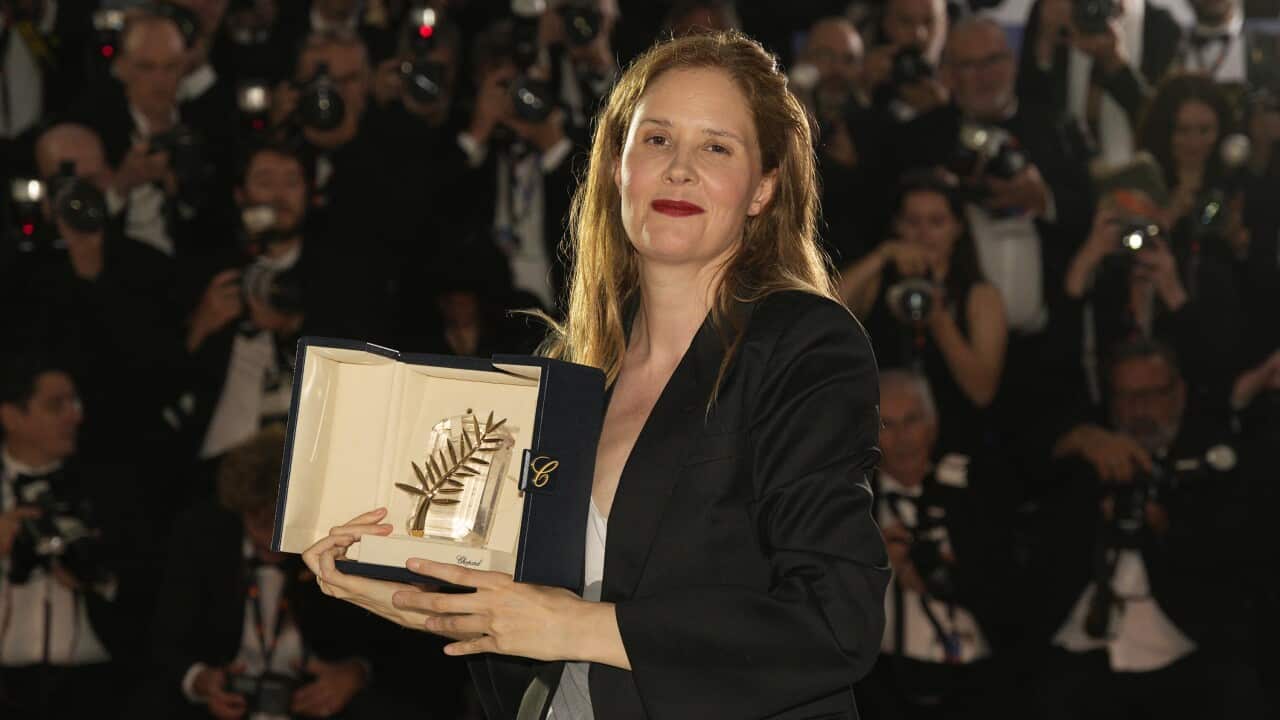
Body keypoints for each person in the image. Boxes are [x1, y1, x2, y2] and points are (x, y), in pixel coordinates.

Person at [302, 30, 889, 719]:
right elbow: (532, 617)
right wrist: (404, 592)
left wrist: (575, 627)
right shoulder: (571, 373)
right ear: (617, 166)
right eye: (657, 139)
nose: (679, 169)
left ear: (763, 188)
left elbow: (834, 621)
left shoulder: (802, 343)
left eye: (716, 148)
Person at [1029, 338, 1257, 720]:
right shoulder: (1085, 456)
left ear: (1180, 393)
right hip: (1080, 648)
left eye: (1153, 395)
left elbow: (1233, 575)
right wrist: (1080, 442)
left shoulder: (1214, 463)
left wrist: (1164, 529)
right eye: (1126, 397)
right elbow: (1020, 470)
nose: (1140, 410)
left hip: (1181, 646)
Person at [857, 370, 1018, 720]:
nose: (902, 438)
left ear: (933, 425)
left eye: (912, 421)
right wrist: (877, 566)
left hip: (976, 679)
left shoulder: (976, 496)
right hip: (882, 684)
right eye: (886, 425)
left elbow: (1009, 596)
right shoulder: (852, 508)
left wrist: (942, 576)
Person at [0, 353, 147, 719]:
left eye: (75, 403)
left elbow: (145, 589)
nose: (74, 416)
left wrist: (96, 575)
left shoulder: (108, 489)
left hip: (88, 687)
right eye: (56, 406)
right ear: (11, 417)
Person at [840, 172, 1007, 457]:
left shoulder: (980, 295)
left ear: (957, 227)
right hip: (879, 440)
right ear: (897, 225)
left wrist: (938, 319)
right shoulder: (878, 280)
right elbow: (821, 310)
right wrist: (881, 256)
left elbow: (982, 391)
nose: (923, 233)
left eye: (936, 222)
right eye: (912, 221)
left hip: (956, 440)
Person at [1017, 0, 1182, 165]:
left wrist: (1115, 64)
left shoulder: (1162, 27)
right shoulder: (1054, 11)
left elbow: (1162, 127)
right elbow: (1028, 112)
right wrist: (1045, 43)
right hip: (1064, 171)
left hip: (1134, 172)